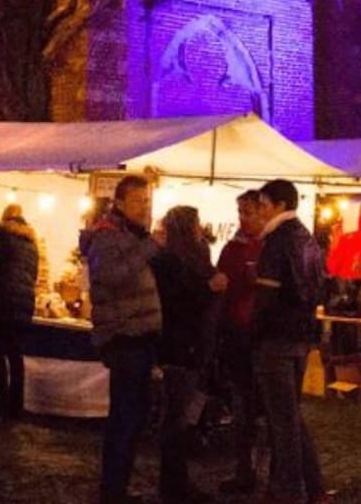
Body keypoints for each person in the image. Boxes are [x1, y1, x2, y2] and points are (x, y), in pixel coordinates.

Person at [80, 175, 163, 504]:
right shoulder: (107, 236)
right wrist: (144, 251)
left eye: (147, 201)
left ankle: (119, 486)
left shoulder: (132, 235)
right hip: (124, 336)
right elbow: (109, 276)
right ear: (120, 203)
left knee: (134, 414)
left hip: (140, 336)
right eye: (138, 201)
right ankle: (112, 491)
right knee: (125, 416)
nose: (145, 208)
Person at [251, 179, 327, 503]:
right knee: (291, 416)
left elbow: (266, 298)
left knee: (282, 423)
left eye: (264, 205)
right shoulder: (307, 239)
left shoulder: (277, 242)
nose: (262, 212)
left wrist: (253, 332)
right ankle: (315, 489)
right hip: (299, 338)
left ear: (279, 205)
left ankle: (289, 492)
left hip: (276, 341)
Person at [151, 205, 228, 503]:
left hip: (192, 346)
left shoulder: (191, 256)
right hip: (180, 347)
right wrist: (208, 288)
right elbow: (177, 304)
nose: (200, 228)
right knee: (176, 417)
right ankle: (173, 485)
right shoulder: (169, 261)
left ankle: (177, 481)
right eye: (196, 223)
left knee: (180, 415)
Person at [215, 190, 265, 494]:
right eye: (241, 213)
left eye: (249, 213)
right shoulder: (232, 249)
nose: (243, 219)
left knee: (267, 407)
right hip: (236, 334)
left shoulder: (271, 247)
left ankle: (270, 468)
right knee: (242, 405)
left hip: (261, 336)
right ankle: (244, 468)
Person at [0, 204, 39, 422]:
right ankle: (16, 408)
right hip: (24, 305)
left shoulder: (2, 234)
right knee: (15, 355)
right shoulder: (32, 243)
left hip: (2, 302)